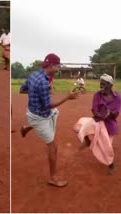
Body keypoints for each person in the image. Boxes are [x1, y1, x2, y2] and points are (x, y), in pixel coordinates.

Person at [19, 53, 80, 187]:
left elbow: (22, 90)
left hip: (34, 112)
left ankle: (26, 127)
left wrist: (35, 93)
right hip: (39, 117)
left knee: (55, 113)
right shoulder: (43, 82)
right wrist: (67, 97)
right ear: (52, 65)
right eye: (57, 66)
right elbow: (48, 105)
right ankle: (53, 178)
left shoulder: (34, 75)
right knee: (53, 146)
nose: (57, 69)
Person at [74, 74, 121, 174]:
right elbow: (94, 109)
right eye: (100, 84)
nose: (101, 86)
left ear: (110, 85)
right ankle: (88, 141)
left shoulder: (117, 97)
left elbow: (116, 113)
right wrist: (99, 115)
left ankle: (111, 164)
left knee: (106, 146)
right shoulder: (97, 95)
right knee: (81, 124)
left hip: (110, 125)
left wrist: (110, 113)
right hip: (97, 121)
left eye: (104, 84)